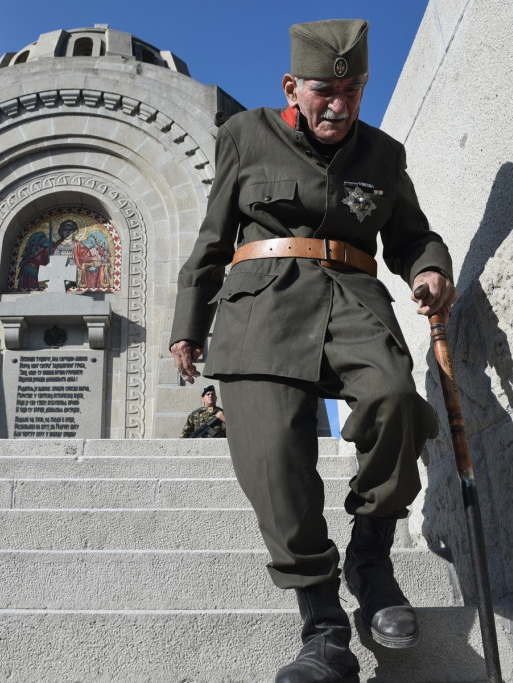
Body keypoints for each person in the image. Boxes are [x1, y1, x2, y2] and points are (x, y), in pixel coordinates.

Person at [169, 19, 457, 683]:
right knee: (273, 460)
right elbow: (214, 238)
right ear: (291, 87)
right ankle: (324, 629)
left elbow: (412, 235)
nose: (341, 103)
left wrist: (427, 269)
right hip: (260, 309)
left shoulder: (383, 155)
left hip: (353, 302)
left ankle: (372, 558)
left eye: (353, 89)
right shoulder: (246, 136)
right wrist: (190, 322)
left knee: (395, 401)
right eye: (326, 89)